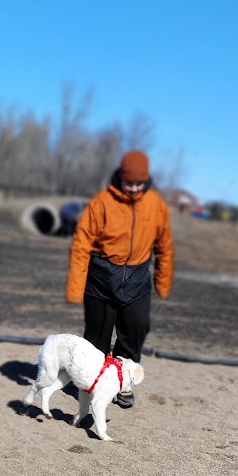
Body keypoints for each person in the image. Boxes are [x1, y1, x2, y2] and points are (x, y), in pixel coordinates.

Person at [65, 149, 174, 407]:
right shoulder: (102, 202)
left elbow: (164, 245)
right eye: (129, 182)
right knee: (96, 340)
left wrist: (163, 280)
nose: (133, 188)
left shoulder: (155, 205)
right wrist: (75, 287)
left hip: (137, 280)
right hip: (101, 279)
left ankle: (123, 383)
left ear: (146, 180)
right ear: (120, 177)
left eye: (138, 183)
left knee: (135, 329)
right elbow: (81, 245)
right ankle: (91, 382)